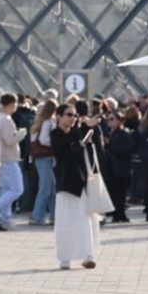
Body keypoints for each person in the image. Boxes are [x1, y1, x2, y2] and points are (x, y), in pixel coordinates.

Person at [51, 106, 100, 270]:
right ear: (58, 116)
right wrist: (84, 127)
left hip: (81, 183)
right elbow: (62, 146)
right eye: (69, 115)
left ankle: (88, 255)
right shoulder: (56, 134)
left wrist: (88, 132)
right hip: (65, 185)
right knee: (65, 221)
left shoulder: (76, 134)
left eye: (75, 115)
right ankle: (65, 257)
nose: (73, 118)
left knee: (85, 221)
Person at [0, 94, 26, 230]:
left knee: (5, 189)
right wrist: (22, 133)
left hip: (1, 157)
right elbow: (10, 139)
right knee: (17, 189)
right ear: (12, 104)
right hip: (9, 158)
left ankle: (5, 218)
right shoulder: (6, 119)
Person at [28, 99, 58, 225]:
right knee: (46, 188)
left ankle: (54, 216)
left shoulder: (38, 122)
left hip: (39, 157)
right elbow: (44, 139)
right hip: (46, 156)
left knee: (50, 188)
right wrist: (55, 144)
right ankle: (37, 216)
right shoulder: (48, 122)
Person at [103, 111, 135, 223]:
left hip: (121, 168)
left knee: (120, 192)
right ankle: (116, 213)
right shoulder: (108, 133)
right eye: (108, 119)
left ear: (119, 121)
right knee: (113, 191)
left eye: (112, 119)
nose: (109, 121)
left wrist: (109, 144)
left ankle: (120, 214)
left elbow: (124, 151)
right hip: (111, 168)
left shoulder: (124, 135)